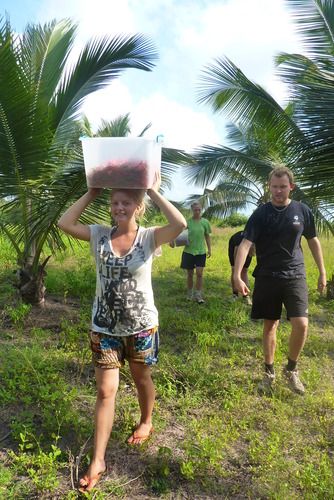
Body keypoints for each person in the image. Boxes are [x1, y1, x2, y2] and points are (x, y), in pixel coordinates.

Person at [57, 178, 186, 493]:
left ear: (138, 207)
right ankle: (98, 459)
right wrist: (91, 193)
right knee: (105, 391)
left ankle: (146, 420)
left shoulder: (150, 237)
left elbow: (180, 223)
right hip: (104, 328)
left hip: (141, 326)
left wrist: (153, 189)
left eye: (126, 202)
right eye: (115, 202)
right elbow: (65, 222)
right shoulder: (99, 235)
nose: (119, 208)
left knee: (142, 377)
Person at [233, 166, 326, 395]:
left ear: (291, 187)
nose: (278, 191)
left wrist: (322, 272)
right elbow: (245, 244)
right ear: (269, 187)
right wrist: (236, 274)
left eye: (282, 187)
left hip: (295, 274)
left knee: (301, 324)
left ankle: (291, 370)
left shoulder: (302, 211)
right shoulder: (261, 213)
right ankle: (269, 372)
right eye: (274, 186)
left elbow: (313, 240)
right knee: (270, 325)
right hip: (267, 276)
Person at [181, 201, 211, 304]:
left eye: (199, 210)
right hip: (188, 251)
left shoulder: (205, 222)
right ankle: (189, 294)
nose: (197, 212)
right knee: (190, 274)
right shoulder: (187, 222)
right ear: (192, 210)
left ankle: (198, 295)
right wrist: (174, 241)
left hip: (201, 252)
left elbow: (207, 236)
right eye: (195, 210)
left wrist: (209, 249)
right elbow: (181, 234)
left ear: (201, 210)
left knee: (199, 273)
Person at [228, 230, 255, 304]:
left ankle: (245, 296)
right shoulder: (239, 242)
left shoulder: (255, 238)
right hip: (234, 246)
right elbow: (237, 261)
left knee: (245, 270)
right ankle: (235, 294)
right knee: (235, 270)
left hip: (249, 246)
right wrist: (237, 271)